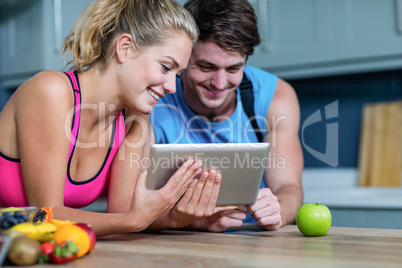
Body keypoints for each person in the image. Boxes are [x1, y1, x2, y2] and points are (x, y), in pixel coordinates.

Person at [0, 0, 225, 237]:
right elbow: (44, 215)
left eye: (177, 75)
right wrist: (132, 221)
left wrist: (179, 218)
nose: (171, 87)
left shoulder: (136, 120)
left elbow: (123, 212)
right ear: (125, 47)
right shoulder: (50, 91)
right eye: (165, 67)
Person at [151, 0, 304, 232]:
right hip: (175, 239)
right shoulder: (153, 98)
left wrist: (278, 210)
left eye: (233, 69)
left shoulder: (276, 97)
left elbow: (289, 186)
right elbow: (129, 208)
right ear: (184, 55)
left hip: (252, 238)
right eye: (205, 67)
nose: (219, 84)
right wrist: (198, 221)